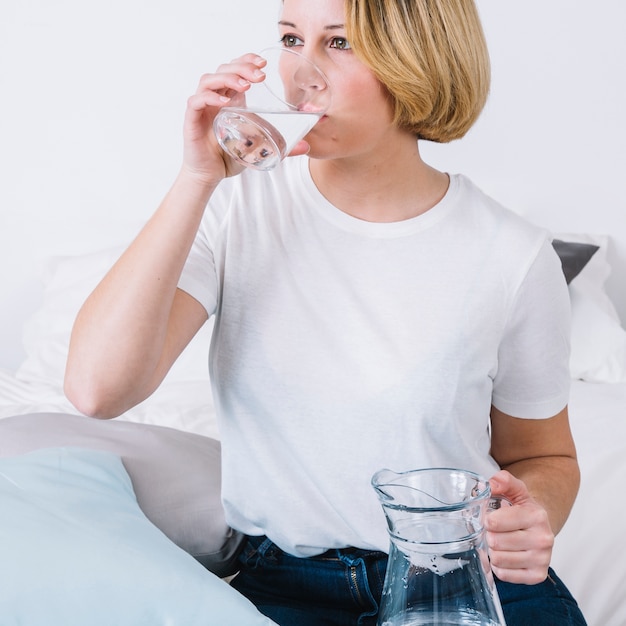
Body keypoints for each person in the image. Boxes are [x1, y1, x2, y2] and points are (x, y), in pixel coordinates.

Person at [64, 0, 587, 624]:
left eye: (338, 44)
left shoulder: (513, 255)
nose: (299, 74)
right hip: (285, 586)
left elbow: (545, 458)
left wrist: (532, 516)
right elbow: (97, 390)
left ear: (416, 62)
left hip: (459, 578)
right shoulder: (235, 208)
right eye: (290, 38)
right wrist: (194, 179)